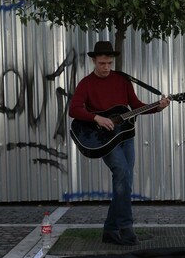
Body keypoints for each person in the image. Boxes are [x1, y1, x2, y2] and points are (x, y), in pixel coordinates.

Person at [69, 41, 170, 245]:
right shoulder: (86, 84)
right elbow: (74, 109)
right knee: (122, 174)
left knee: (125, 182)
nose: (106, 67)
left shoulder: (122, 81)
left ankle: (110, 229)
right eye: (102, 63)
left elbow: (136, 105)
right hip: (103, 139)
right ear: (93, 61)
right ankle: (126, 227)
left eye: (109, 63)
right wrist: (96, 118)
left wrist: (158, 107)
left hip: (125, 137)